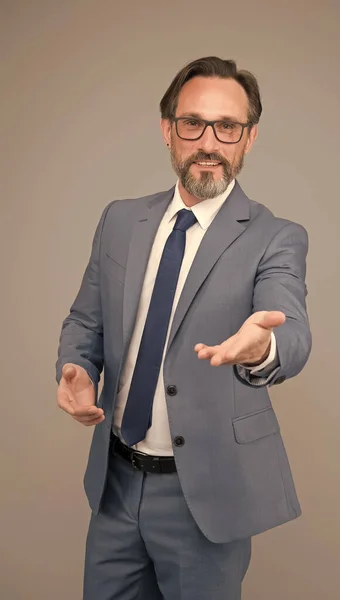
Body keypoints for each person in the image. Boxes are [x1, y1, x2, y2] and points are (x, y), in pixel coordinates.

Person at [56, 56, 312, 600]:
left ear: (249, 139)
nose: (209, 142)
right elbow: (86, 318)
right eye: (193, 123)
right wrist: (76, 366)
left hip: (206, 494)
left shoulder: (276, 236)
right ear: (168, 130)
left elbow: (291, 331)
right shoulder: (120, 220)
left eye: (228, 127)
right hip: (116, 484)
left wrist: (261, 346)